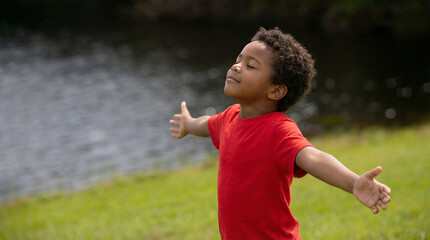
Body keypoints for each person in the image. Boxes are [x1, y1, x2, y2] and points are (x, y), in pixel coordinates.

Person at [169, 27, 391, 240]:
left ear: (275, 90)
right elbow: (206, 124)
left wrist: (352, 183)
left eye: (250, 66)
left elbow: (312, 157)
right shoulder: (230, 117)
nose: (236, 67)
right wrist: (188, 124)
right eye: (238, 60)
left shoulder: (278, 130)